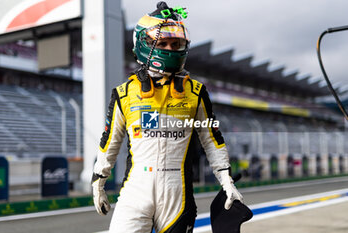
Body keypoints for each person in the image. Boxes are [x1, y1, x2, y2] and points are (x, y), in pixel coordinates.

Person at [91, 2, 243, 232]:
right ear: (144, 44)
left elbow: (213, 139)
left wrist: (226, 181)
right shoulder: (124, 94)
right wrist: (98, 182)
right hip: (135, 190)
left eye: (176, 43)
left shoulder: (196, 92)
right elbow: (109, 143)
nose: (170, 48)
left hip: (177, 193)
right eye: (162, 43)